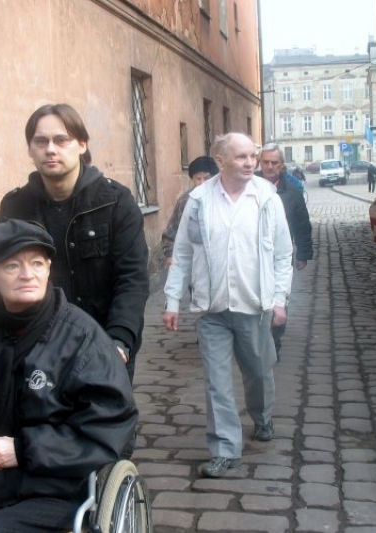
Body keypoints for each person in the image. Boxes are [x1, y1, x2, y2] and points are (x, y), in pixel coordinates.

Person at [0, 219, 138, 533]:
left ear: (48, 270)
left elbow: (108, 423)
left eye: (37, 263)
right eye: (13, 265)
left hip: (51, 488)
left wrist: (21, 450)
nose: (27, 274)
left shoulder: (81, 339)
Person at [163, 132, 293, 478]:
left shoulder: (267, 198)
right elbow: (183, 252)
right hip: (212, 308)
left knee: (258, 373)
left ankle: (263, 418)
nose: (250, 162)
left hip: (255, 305)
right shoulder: (199, 200)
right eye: (241, 157)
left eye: (253, 156)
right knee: (216, 381)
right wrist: (172, 300)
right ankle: (225, 449)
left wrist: (279, 299)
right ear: (220, 161)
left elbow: (283, 253)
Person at [0, 104, 149, 382]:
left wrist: (120, 338)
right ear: (30, 149)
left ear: (81, 144)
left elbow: (132, 277)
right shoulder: (15, 206)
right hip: (35, 343)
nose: (50, 149)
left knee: (105, 423)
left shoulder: (115, 201)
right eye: (41, 141)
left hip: (102, 340)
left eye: (61, 140)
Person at [257, 143, 313, 355]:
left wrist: (304, 254)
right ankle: (255, 339)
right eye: (266, 162)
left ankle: (274, 341)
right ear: (259, 163)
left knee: (280, 297)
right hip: (252, 255)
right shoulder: (247, 186)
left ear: (281, 165)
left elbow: (302, 225)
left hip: (281, 254)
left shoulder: (292, 191)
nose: (270, 166)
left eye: (275, 162)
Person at [161, 156, 219, 268]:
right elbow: (172, 231)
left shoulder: (223, 197)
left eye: (206, 178)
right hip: (192, 259)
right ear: (193, 179)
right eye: (198, 178)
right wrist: (169, 255)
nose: (202, 183)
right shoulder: (186, 200)